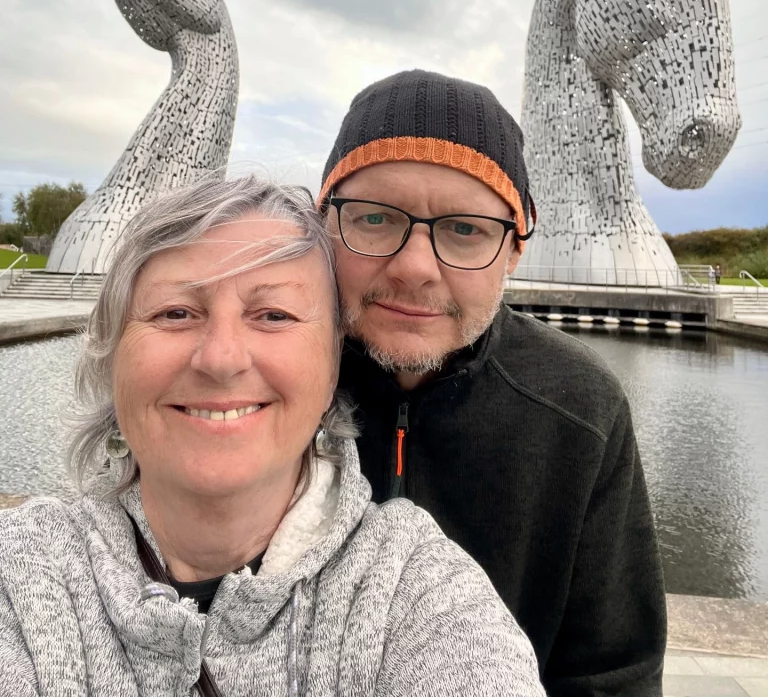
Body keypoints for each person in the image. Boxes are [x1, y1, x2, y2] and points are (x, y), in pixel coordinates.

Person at [0, 176, 545, 697]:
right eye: (176, 312)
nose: (220, 358)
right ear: (112, 354)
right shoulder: (23, 575)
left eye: (273, 315)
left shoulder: (414, 593)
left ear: (333, 365)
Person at [320, 69, 667, 697]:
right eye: (374, 218)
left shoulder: (579, 406)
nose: (415, 268)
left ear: (515, 248)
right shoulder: (262, 381)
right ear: (325, 222)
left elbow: (614, 673)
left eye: (464, 229)